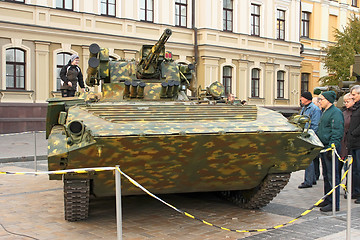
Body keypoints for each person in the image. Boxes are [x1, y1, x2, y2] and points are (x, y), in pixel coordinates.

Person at [317, 91, 344, 212]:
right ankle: (327, 199)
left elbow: (337, 131)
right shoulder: (325, 112)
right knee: (326, 175)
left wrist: (332, 146)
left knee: (333, 176)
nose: (319, 101)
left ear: (328, 100)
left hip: (331, 148)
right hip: (324, 147)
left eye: (321, 99)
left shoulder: (336, 113)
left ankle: (334, 203)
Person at [298, 92, 322, 189]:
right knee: (313, 159)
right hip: (305, 135)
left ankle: (308, 181)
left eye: (302, 97)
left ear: (307, 99)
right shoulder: (304, 108)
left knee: (308, 159)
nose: (300, 99)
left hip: (310, 136)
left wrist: (309, 135)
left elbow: (315, 125)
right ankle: (313, 178)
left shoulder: (314, 109)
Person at [347, 85, 360, 204]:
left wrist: (354, 133)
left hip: (358, 142)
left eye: (354, 95)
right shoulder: (355, 107)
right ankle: (356, 191)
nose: (352, 97)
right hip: (354, 144)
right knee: (355, 170)